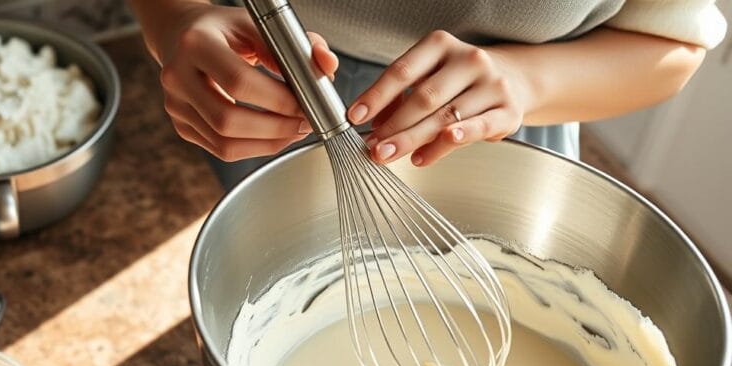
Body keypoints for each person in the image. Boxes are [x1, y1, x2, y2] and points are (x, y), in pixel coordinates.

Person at [128, 0, 727, 190]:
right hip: (274, 93)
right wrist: (176, 17)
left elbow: (669, 45)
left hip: (508, 127)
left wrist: (526, 81)